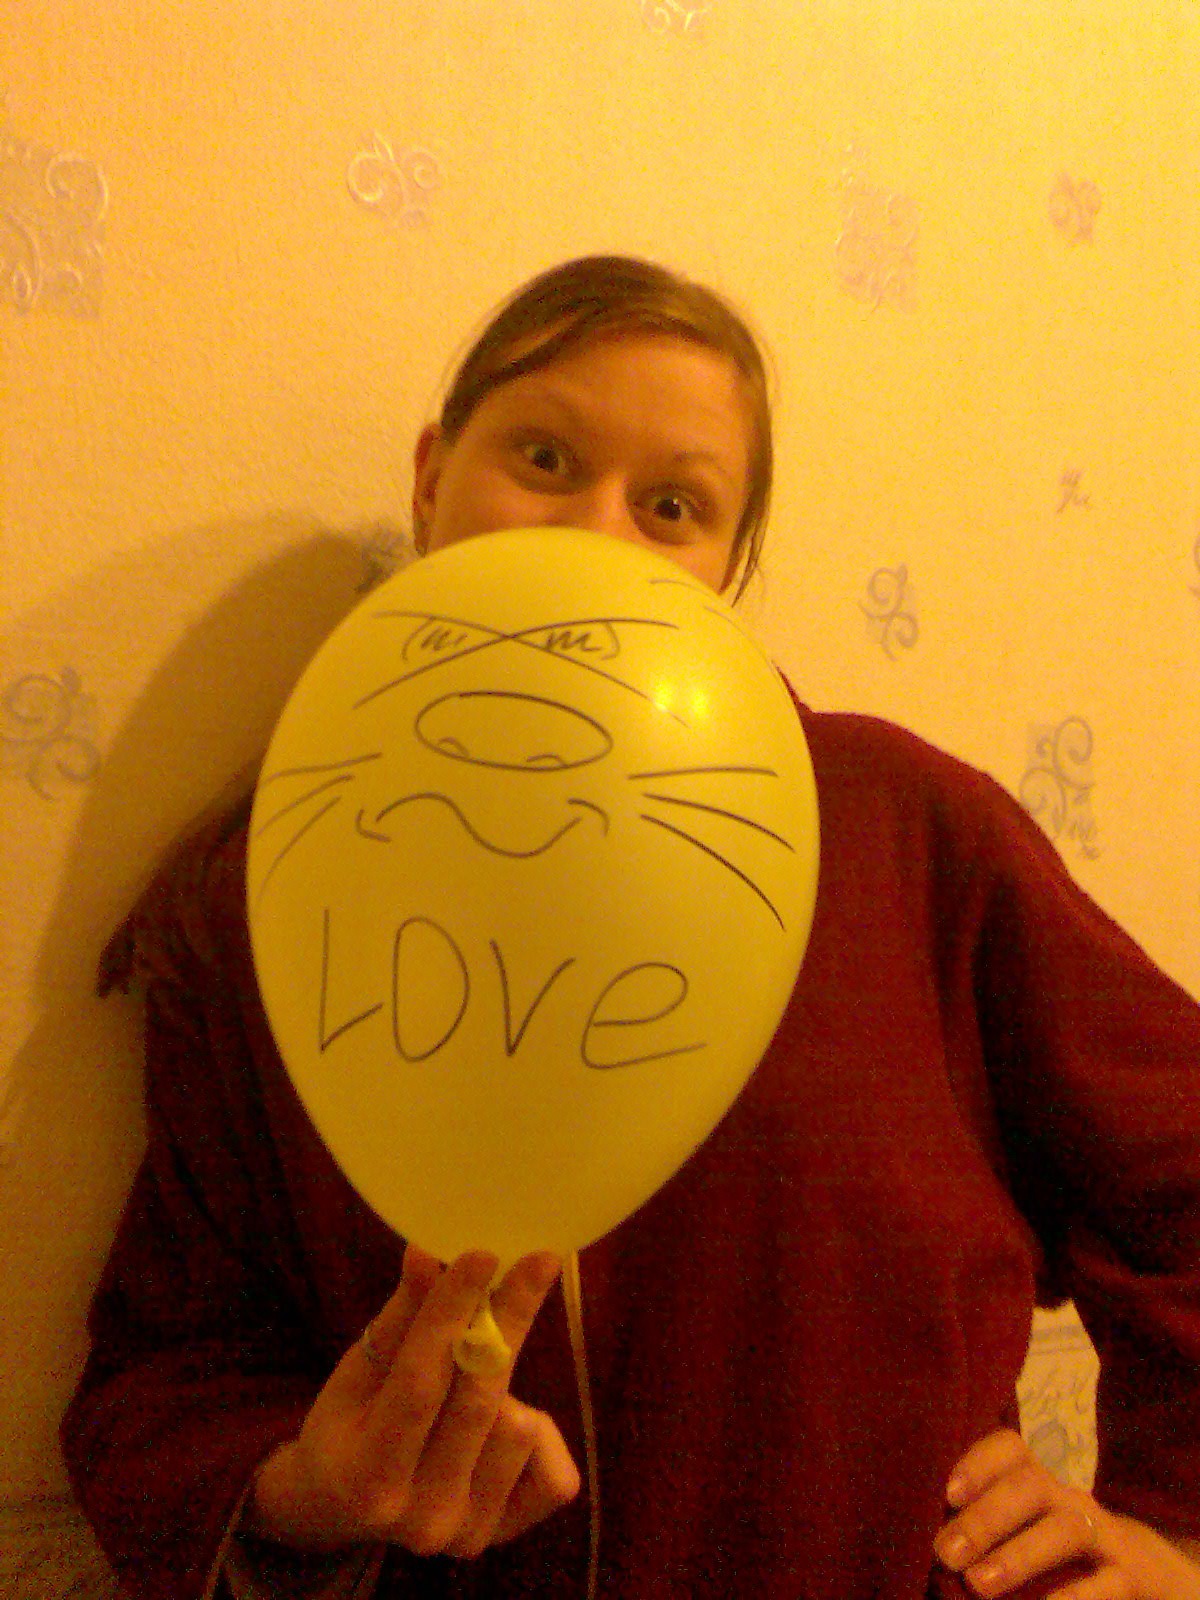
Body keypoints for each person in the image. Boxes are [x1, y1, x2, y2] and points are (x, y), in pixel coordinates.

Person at [62, 256, 1200, 1600]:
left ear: (726, 568)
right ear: (430, 479)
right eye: (544, 458)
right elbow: (168, 1371)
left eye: (672, 505)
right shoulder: (261, 890)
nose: (597, 535)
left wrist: (1173, 1540)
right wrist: (310, 1494)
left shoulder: (908, 830)